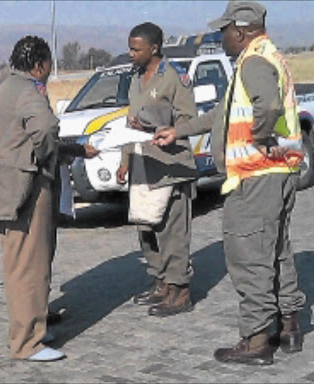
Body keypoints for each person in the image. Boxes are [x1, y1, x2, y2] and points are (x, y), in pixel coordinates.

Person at [153, 1, 306, 365]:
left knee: (247, 254)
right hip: (278, 172)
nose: (220, 37)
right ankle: (289, 324)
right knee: (276, 249)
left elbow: (267, 107)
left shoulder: (253, 62)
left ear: (241, 30)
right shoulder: (267, 56)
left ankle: (255, 340)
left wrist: (259, 135)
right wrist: (179, 130)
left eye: (224, 31)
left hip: (255, 175)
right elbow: (220, 114)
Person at [0, 35, 98, 362]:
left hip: (4, 187)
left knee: (25, 263)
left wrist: (72, 150)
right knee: (27, 267)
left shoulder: (4, 89)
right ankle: (27, 342)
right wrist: (48, 159)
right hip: (26, 189)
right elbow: (44, 130)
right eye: (47, 66)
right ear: (39, 64)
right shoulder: (28, 91)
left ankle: (35, 327)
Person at [116, 22, 199, 317]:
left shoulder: (175, 78)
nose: (130, 54)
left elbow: (189, 121)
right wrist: (125, 160)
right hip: (144, 165)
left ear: (154, 49)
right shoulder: (135, 79)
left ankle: (180, 290)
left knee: (172, 231)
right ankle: (160, 281)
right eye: (129, 47)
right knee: (146, 226)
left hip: (171, 167)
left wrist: (154, 126)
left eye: (136, 49)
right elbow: (130, 121)